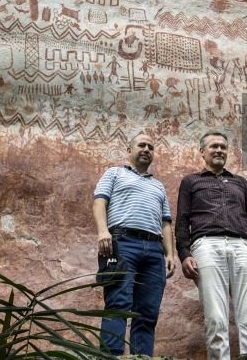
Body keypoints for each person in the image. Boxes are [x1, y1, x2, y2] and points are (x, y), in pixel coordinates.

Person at [176, 132, 247, 360]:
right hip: (206, 245)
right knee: (216, 316)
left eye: (223, 147)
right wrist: (184, 253)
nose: (219, 150)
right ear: (202, 152)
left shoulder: (240, 182)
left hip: (242, 246)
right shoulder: (191, 181)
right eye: (214, 146)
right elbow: (182, 219)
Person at [93, 132, 176, 356]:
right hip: (121, 243)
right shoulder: (114, 173)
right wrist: (103, 231)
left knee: (147, 311)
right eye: (142, 145)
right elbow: (100, 201)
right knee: (118, 303)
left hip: (154, 250)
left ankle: (142, 356)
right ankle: (111, 355)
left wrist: (170, 254)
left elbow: (166, 222)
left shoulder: (158, 186)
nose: (147, 149)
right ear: (130, 150)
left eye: (151, 146)